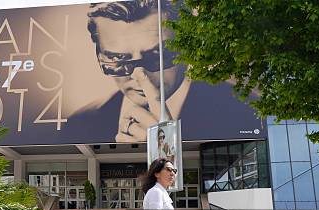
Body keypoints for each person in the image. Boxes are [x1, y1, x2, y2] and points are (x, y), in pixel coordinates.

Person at [63, 0, 261, 144]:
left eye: (157, 56)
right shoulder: (80, 123)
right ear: (100, 55)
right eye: (117, 59)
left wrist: (165, 149)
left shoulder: (247, 113)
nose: (139, 76)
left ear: (187, 47)